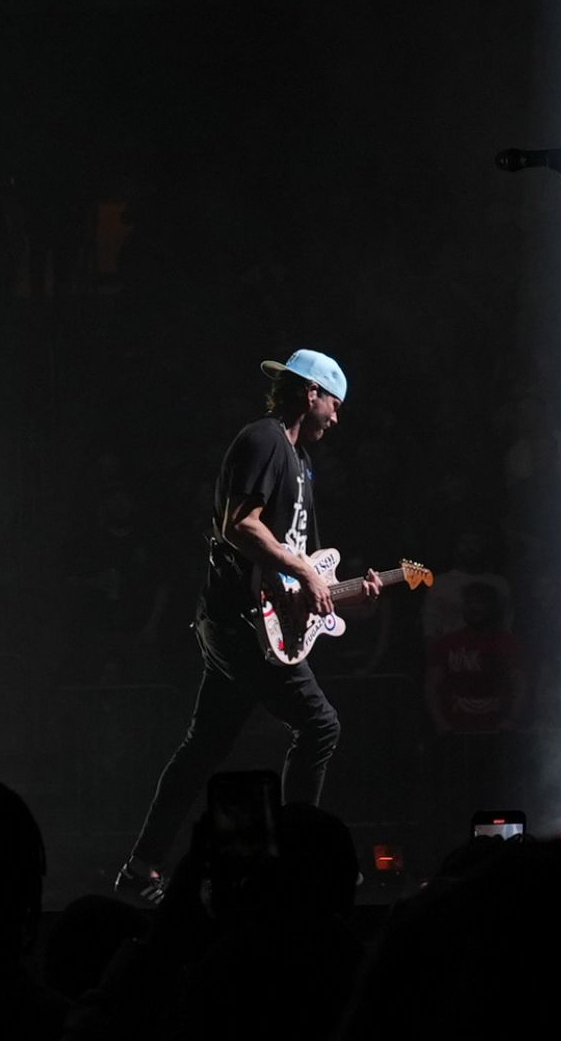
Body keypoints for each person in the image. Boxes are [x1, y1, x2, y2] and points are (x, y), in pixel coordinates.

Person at [114, 349, 381, 899]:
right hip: (241, 623)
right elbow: (241, 527)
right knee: (320, 726)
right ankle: (298, 862)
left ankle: (141, 867)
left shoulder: (301, 463)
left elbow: (297, 566)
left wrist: (340, 593)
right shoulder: (264, 441)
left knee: (202, 748)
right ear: (311, 394)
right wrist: (303, 570)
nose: (337, 415)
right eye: (335, 402)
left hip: (248, 621)